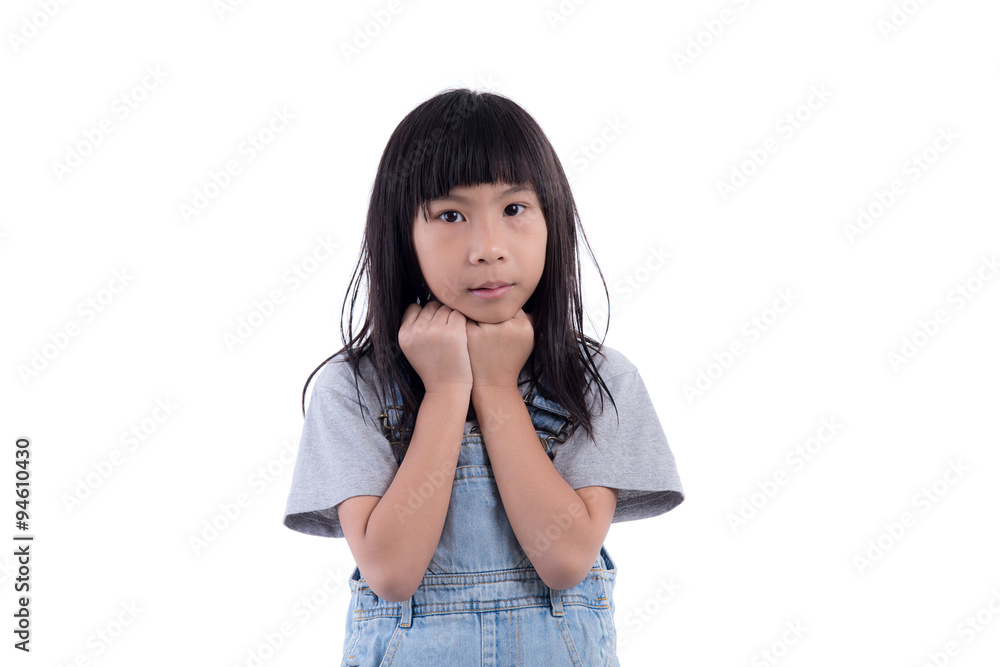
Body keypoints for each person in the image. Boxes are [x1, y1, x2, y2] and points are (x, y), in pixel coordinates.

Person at [283, 87, 684, 666]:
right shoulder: (354, 390)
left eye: (514, 209)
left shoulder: (597, 382)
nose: (488, 247)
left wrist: (496, 389)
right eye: (451, 215)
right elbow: (392, 573)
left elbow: (566, 559)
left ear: (553, 220)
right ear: (403, 235)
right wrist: (447, 390)